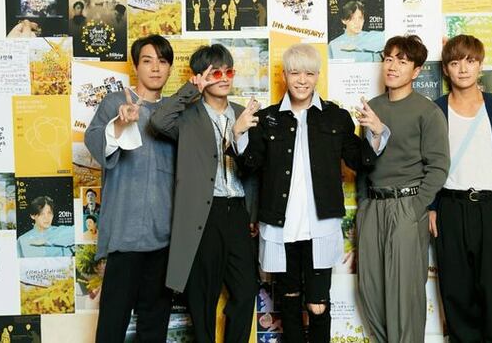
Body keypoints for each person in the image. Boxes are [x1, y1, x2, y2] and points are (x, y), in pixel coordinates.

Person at [230, 43, 387, 343]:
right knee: (288, 302)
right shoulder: (267, 118)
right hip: (280, 226)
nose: (302, 80)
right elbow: (249, 166)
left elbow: (360, 161)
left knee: (317, 305)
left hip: (320, 227)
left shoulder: (336, 117)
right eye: (294, 73)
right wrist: (238, 133)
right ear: (284, 75)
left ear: (317, 76)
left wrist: (376, 133)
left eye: (309, 74)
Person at [150, 44, 258, 343]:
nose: (223, 78)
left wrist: (253, 212)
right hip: (203, 214)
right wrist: (191, 89)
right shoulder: (187, 115)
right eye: (215, 73)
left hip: (237, 211)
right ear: (201, 76)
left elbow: (254, 168)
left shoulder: (243, 113)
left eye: (228, 72)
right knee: (202, 296)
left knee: (246, 291)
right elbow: (158, 122)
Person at [430, 34, 492, 342]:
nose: (463, 69)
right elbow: (425, 163)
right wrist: (431, 206)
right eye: (455, 63)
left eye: (470, 61)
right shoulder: (435, 111)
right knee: (458, 297)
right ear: (445, 69)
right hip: (450, 208)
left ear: (480, 65)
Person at [356, 35, 449, 343]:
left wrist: (415, 207)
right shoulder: (372, 108)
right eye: (389, 59)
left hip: (406, 207)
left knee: (403, 295)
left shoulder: (427, 112)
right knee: (370, 291)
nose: (393, 66)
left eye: (402, 61)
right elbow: (363, 162)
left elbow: (438, 166)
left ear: (417, 70)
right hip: (373, 207)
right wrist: (363, 205)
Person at [84, 34, 175, 343]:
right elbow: (94, 141)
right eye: (147, 61)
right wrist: (121, 124)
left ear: (170, 68)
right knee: (112, 326)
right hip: (124, 236)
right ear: (135, 66)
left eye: (162, 61)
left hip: (164, 237)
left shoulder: (175, 112)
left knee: (154, 328)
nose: (155, 68)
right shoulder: (115, 102)